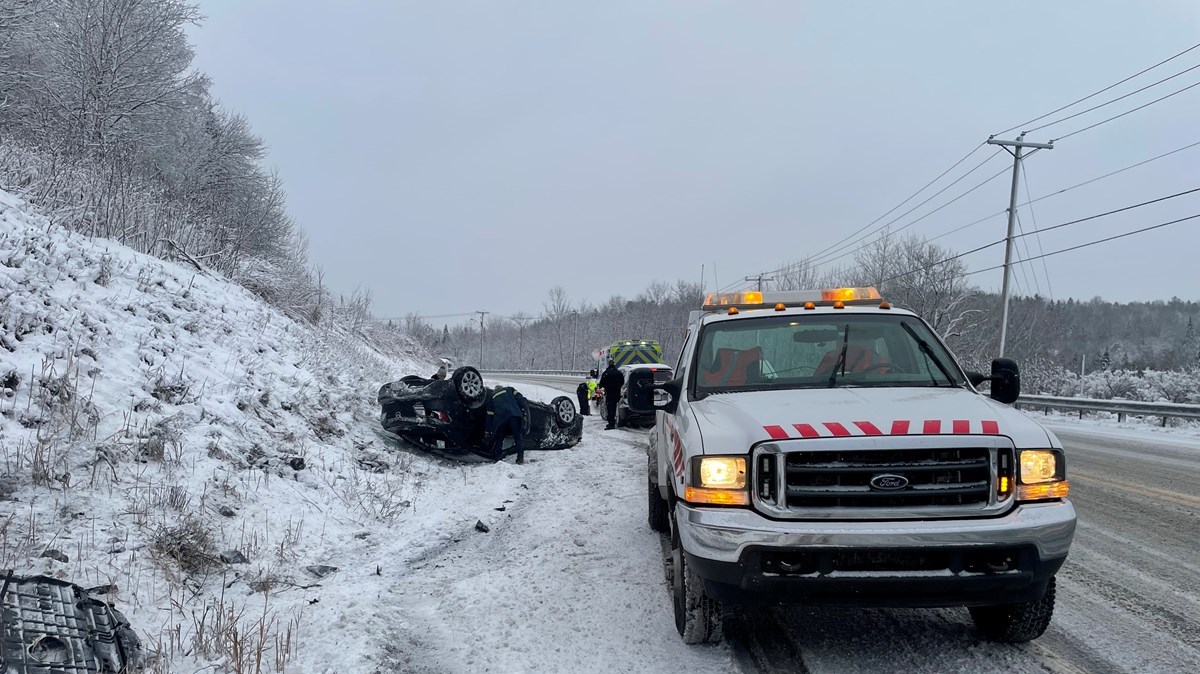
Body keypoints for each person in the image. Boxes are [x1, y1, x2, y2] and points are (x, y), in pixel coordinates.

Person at [487, 385, 528, 463]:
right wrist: (523, 411)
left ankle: (497, 458)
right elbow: (521, 399)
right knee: (517, 438)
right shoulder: (509, 389)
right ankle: (520, 458)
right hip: (514, 416)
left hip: (500, 419)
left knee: (499, 439)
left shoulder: (492, 397)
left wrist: (488, 431)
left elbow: (489, 415)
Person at [599, 362, 624, 429]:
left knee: (610, 408)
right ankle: (617, 420)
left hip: (609, 393)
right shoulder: (619, 373)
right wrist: (617, 387)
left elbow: (601, 383)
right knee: (617, 407)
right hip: (617, 393)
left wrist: (606, 386)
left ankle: (611, 423)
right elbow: (622, 382)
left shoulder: (606, 373)